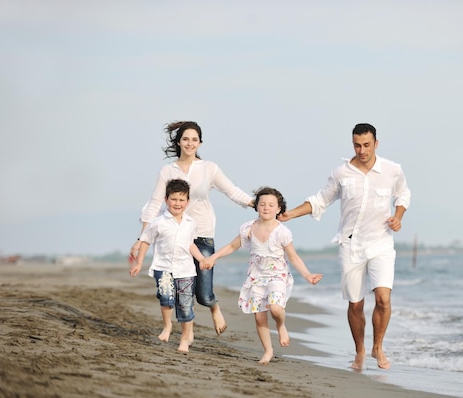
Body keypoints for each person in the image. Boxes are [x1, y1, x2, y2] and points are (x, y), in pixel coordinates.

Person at [279, 123, 411, 370]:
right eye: (357, 145)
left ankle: (377, 347)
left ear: (376, 144)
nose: (362, 150)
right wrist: (290, 215)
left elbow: (403, 195)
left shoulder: (393, 170)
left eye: (366, 145)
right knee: (355, 303)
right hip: (351, 245)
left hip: (381, 242)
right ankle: (360, 351)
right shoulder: (342, 172)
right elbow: (321, 200)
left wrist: (398, 216)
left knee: (383, 298)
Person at [130, 121, 254, 336]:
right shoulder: (167, 171)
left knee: (203, 295)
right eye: (185, 139)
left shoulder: (209, 168)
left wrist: (257, 204)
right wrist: (142, 237)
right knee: (177, 289)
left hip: (202, 235)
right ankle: (183, 331)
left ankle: (213, 306)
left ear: (200, 142)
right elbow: (154, 203)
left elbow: (232, 191)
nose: (190, 143)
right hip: (173, 235)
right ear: (178, 142)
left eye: (194, 139)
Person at [200, 187, 323, 365]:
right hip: (256, 276)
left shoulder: (282, 232)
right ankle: (268, 350)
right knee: (259, 316)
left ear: (279, 209)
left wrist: (308, 275)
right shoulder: (248, 228)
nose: (266, 208)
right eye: (262, 204)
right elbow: (232, 246)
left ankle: (281, 326)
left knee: (275, 308)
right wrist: (213, 257)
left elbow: (293, 257)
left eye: (271, 205)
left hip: (277, 276)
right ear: (257, 206)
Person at [129, 179, 207, 353]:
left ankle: (185, 338)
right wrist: (139, 263)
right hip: (162, 267)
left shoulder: (190, 223)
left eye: (181, 200)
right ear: (166, 200)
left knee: (185, 304)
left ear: (187, 202)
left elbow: (191, 244)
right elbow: (145, 240)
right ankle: (167, 326)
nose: (177, 203)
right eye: (173, 199)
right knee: (166, 297)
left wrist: (201, 259)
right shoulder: (158, 222)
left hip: (186, 270)